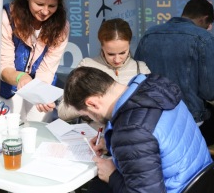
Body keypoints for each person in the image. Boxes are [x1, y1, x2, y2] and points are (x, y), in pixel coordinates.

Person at [63, 66, 213, 193]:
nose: (92, 118)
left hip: (178, 188)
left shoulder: (131, 132)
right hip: (201, 177)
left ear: (93, 103)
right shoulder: (154, 86)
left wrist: (112, 175)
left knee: (97, 187)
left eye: (87, 115)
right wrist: (110, 143)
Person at [134, 0, 214, 146]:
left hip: (153, 118)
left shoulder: (149, 34)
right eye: (209, 25)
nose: (208, 28)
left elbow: (138, 78)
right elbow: (209, 91)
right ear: (205, 19)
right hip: (192, 120)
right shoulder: (204, 39)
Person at [0, 0, 69, 123]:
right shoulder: (8, 17)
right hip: (9, 88)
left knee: (38, 129)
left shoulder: (61, 27)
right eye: (39, 4)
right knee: (11, 129)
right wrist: (20, 77)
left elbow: (47, 70)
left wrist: (41, 95)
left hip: (41, 84)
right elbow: (4, 68)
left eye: (52, 6)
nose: (45, 11)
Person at [58, 18, 150, 124]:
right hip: (92, 135)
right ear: (102, 46)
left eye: (122, 52)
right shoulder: (87, 66)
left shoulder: (141, 69)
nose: (117, 59)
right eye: (110, 54)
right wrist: (88, 107)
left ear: (129, 45)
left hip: (129, 134)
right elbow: (62, 111)